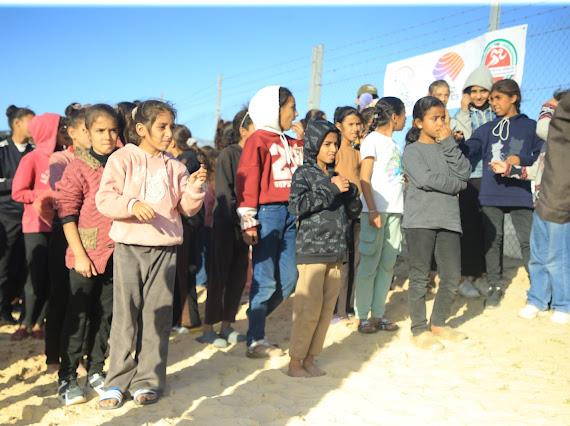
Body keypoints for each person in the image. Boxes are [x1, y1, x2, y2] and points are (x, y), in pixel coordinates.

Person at [95, 100, 207, 408]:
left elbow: (186, 208)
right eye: (162, 126)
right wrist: (131, 205)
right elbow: (105, 199)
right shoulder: (122, 158)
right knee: (125, 314)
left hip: (164, 249)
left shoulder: (177, 167)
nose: (168, 133)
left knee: (157, 317)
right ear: (142, 129)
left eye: (171, 126)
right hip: (129, 247)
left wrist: (194, 188)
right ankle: (116, 381)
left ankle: (148, 380)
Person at [55, 104, 119, 405]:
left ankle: (95, 370)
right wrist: (80, 255)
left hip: (116, 253)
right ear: (88, 132)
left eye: (113, 130)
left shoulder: (120, 163)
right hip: (85, 255)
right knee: (78, 316)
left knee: (105, 314)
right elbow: (67, 213)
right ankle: (67, 377)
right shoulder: (77, 166)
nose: (107, 136)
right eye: (100, 130)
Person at [287, 119, 361, 377]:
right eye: (327, 144)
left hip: (336, 252)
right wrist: (331, 189)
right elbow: (297, 205)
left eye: (335, 144)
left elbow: (351, 213)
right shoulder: (303, 174)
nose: (332, 149)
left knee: (325, 312)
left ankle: (310, 358)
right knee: (307, 310)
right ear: (313, 144)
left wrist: (351, 196)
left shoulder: (335, 176)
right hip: (312, 253)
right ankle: (295, 362)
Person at [461, 79, 543, 309]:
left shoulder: (530, 127)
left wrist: (521, 159)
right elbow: (470, 148)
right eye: (491, 99)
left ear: (513, 98)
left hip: (519, 192)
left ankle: (537, 288)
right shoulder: (486, 129)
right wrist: (455, 142)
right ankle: (495, 286)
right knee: (493, 241)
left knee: (528, 241)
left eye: (498, 98)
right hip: (491, 192)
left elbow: (540, 155)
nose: (493, 103)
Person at [489, 90, 570, 324]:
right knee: (538, 256)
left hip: (561, 206)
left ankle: (563, 305)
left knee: (558, 257)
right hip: (542, 203)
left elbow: (542, 128)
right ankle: (537, 300)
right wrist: (508, 169)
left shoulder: (561, 136)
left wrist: (548, 105)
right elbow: (536, 170)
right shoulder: (549, 145)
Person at [235, 85, 303, 358]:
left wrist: (303, 140)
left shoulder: (293, 142)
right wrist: (248, 219)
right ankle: (256, 339)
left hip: (292, 213)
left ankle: (255, 316)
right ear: (275, 109)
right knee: (264, 280)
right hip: (267, 213)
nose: (295, 113)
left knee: (290, 279)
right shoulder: (258, 139)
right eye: (291, 107)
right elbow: (248, 178)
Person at [402, 96, 471, 350]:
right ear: (419, 123)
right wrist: (457, 186)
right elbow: (425, 179)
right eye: (434, 119)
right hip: (420, 220)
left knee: (452, 275)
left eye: (443, 118)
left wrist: (449, 143)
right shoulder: (412, 151)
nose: (441, 123)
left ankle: (439, 323)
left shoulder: (449, 146)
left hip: (449, 219)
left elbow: (465, 172)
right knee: (419, 276)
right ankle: (419, 329)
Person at [199, 109, 255, 347]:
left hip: (246, 226)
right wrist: (242, 221)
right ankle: (208, 328)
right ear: (244, 130)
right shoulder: (229, 155)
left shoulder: (255, 155)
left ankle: (227, 325)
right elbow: (225, 194)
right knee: (218, 277)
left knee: (238, 276)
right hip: (225, 224)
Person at [45, 103, 92, 372]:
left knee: (85, 300)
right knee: (62, 295)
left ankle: (80, 356)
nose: (91, 134)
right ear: (71, 132)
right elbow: (60, 193)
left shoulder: (103, 160)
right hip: (65, 231)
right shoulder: (60, 160)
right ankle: (53, 357)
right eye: (86, 129)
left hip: (92, 234)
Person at [11, 113, 66, 341]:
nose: (65, 132)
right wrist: (44, 194)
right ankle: (25, 322)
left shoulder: (65, 158)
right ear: (49, 132)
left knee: (53, 276)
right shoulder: (31, 158)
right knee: (35, 276)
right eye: (60, 128)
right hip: (36, 225)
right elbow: (18, 192)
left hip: (60, 224)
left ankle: (39, 323)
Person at [354, 98, 405, 334]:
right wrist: (373, 209)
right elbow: (364, 178)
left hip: (395, 210)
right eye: (403, 115)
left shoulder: (395, 144)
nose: (404, 119)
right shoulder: (371, 140)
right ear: (394, 117)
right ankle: (363, 316)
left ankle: (378, 314)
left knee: (387, 265)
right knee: (370, 264)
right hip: (375, 211)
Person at [452, 66, 496, 298]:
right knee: (467, 227)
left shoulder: (496, 114)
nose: (478, 96)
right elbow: (463, 140)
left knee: (486, 228)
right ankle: (465, 276)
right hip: (469, 177)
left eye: (483, 90)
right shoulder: (462, 115)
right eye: (473, 91)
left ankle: (481, 274)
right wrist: (463, 111)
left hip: (491, 177)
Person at [167, 124, 204, 333]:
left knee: (182, 272)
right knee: (187, 270)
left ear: (173, 141)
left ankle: (185, 319)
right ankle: (187, 318)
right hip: (193, 223)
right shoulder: (192, 158)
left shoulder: (183, 161)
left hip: (186, 223)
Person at [0, 105, 35, 324]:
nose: (35, 126)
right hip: (6, 215)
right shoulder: (2, 150)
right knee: (3, 264)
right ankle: (2, 310)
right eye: (32, 121)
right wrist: (18, 183)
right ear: (17, 123)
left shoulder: (35, 151)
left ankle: (24, 309)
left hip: (31, 217)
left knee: (26, 264)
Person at [333, 106, 362, 321]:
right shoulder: (334, 153)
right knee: (342, 262)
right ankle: (339, 310)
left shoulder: (358, 153)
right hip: (339, 211)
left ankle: (350, 307)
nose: (355, 128)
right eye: (350, 124)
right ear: (339, 126)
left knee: (356, 260)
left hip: (358, 212)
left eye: (358, 124)